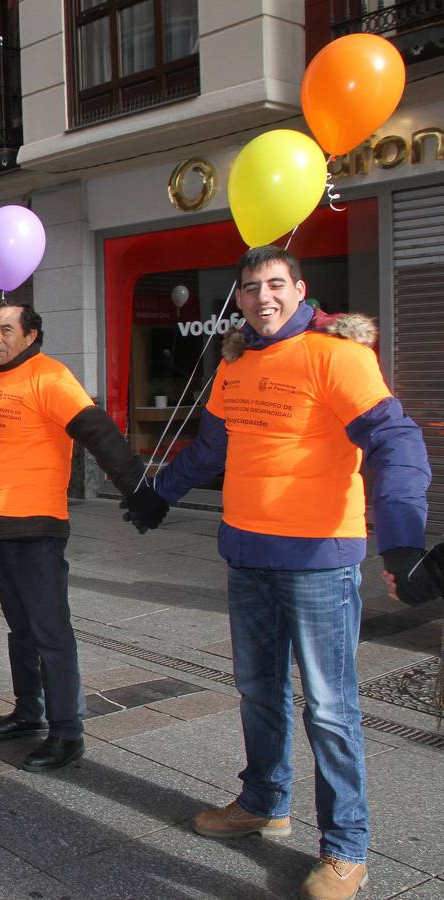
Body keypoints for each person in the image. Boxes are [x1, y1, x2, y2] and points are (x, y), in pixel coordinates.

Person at [132, 247, 431, 900]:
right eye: (248, 288)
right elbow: (212, 445)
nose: (261, 296)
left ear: (299, 290)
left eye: (274, 284)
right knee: (256, 690)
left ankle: (346, 849)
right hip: (246, 558)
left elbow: (395, 440)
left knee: (328, 707)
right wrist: (159, 493)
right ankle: (263, 801)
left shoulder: (336, 355)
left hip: (317, 564)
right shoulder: (235, 362)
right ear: (235, 300)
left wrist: (402, 540)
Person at [0, 299, 163, 772]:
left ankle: (68, 731)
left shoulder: (50, 376)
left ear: (31, 336)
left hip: (39, 524)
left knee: (50, 631)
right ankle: (30, 711)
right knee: (21, 628)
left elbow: (99, 432)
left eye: (6, 330)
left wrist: (138, 491)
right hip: (0, 523)